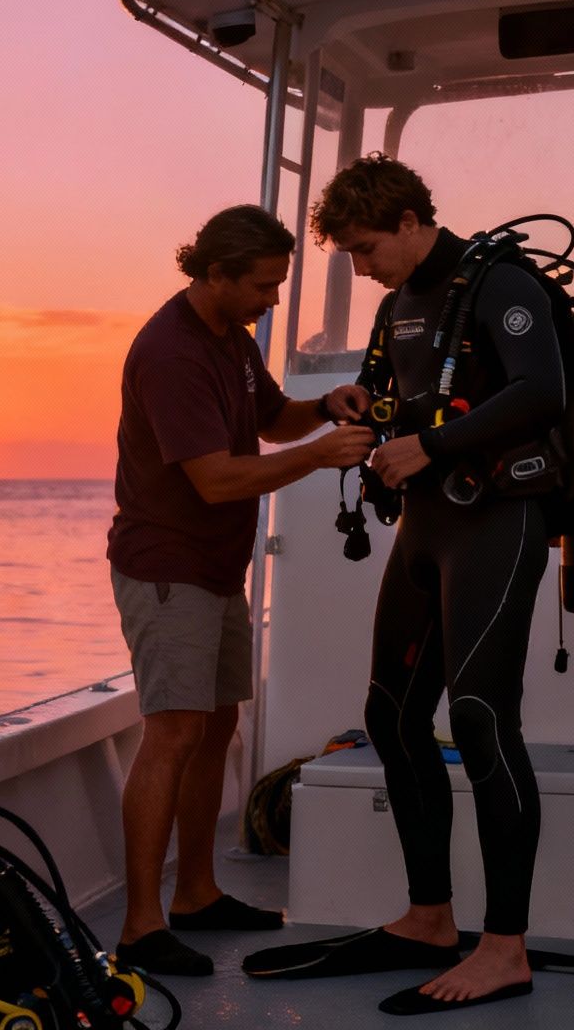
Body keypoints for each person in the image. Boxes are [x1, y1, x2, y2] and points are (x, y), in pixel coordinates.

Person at [244, 155, 569, 1017]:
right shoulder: (398, 307)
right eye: (347, 254)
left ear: (412, 218)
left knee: (482, 718)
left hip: (500, 519)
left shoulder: (503, 282)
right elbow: (403, 400)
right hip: (429, 526)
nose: (360, 267)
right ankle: (429, 918)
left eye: (363, 247)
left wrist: (431, 447)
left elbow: (542, 390)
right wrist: (366, 413)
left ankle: (505, 948)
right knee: (392, 714)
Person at [107, 204, 376, 977]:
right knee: (173, 734)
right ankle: (139, 928)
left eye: (279, 285)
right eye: (263, 286)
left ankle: (196, 894)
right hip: (168, 568)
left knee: (216, 724)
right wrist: (323, 458)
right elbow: (218, 478)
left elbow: (273, 421)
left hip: (218, 570)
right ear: (215, 273)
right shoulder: (171, 353)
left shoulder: (231, 337)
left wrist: (323, 408)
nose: (273, 300)